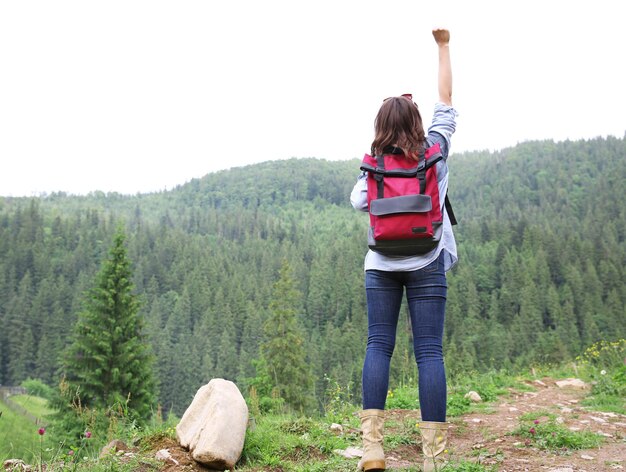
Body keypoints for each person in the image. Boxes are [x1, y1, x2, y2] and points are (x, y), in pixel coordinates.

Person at [350, 28, 458, 472]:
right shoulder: (436, 151)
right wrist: (443, 47)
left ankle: (373, 449)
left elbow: (358, 201)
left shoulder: (372, 163)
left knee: (379, 345)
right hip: (427, 259)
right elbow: (446, 104)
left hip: (381, 264)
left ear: (381, 128)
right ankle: (432, 459)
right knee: (429, 352)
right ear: (416, 123)